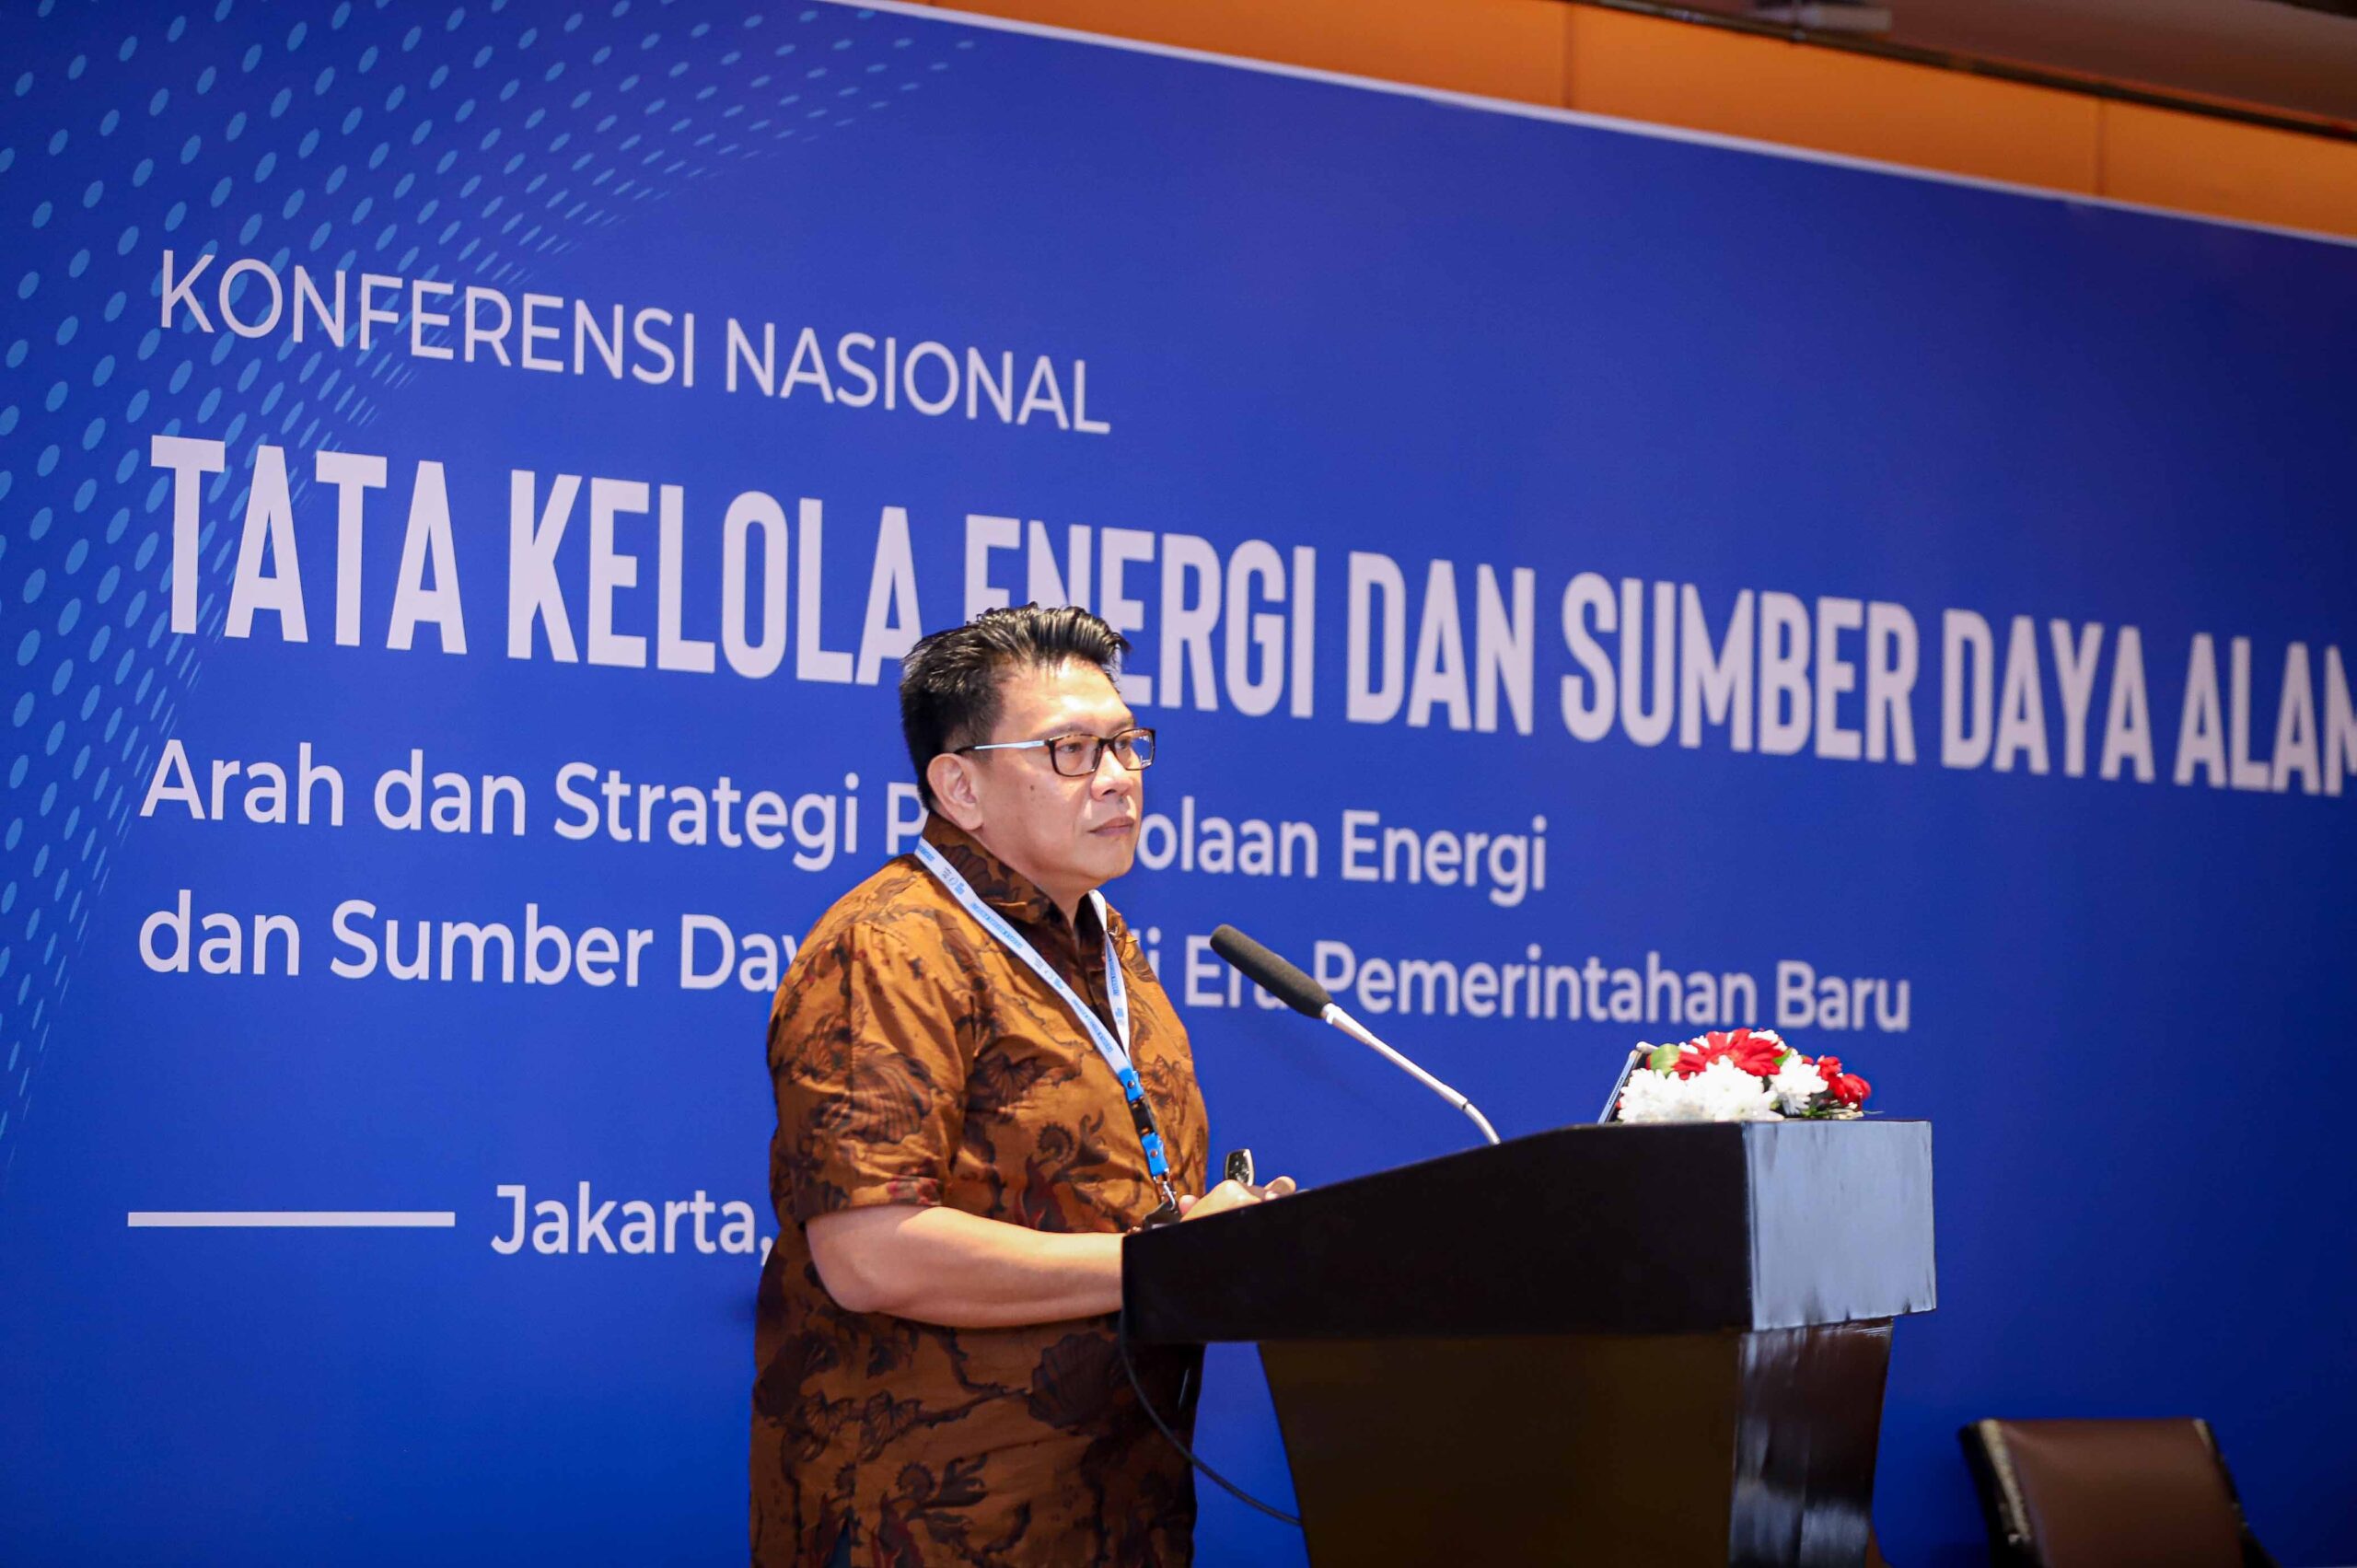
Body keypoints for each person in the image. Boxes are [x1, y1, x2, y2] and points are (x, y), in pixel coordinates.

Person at [751, 604, 1293, 1568]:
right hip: (927, 1522)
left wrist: (1216, 1243)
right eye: (1071, 750)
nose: (1118, 776)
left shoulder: (1106, 941)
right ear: (959, 786)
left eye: (1125, 743)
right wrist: (1159, 1263)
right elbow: (870, 1253)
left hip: (1118, 1510)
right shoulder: (892, 946)